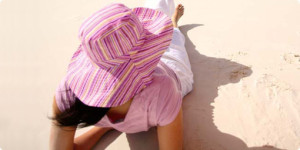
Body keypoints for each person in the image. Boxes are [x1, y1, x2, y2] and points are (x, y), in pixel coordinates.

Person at [49, 0, 194, 150]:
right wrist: (108, 127)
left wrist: (108, 125)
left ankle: (173, 21)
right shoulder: (163, 91)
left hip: (167, 71)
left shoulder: (68, 92)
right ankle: (173, 23)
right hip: (175, 68)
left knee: (168, 27)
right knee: (174, 39)